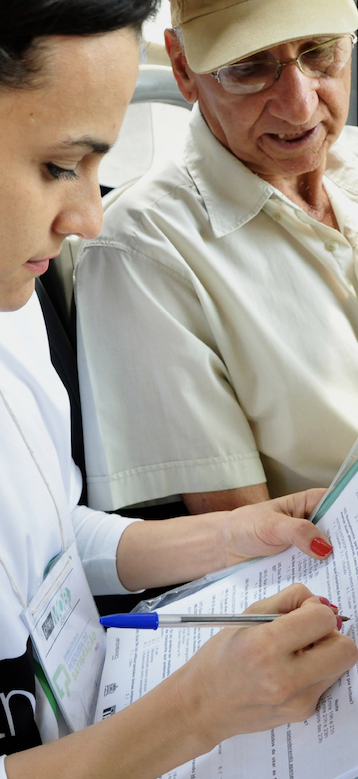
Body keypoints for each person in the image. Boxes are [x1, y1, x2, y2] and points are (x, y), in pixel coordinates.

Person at [1, 2, 357, 778]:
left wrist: (236, 536)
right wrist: (195, 710)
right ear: (188, 74)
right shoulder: (131, 250)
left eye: (322, 55)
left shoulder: (16, 315)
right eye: (60, 165)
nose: (91, 217)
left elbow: (55, 540)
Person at [75, 0, 358, 516]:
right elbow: (242, 540)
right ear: (184, 70)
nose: (298, 105)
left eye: (320, 52)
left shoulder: (352, 160)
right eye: (248, 68)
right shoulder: (142, 251)